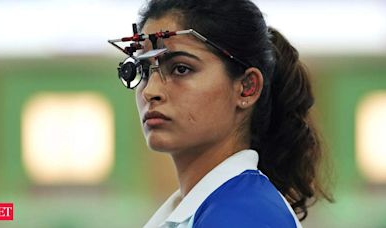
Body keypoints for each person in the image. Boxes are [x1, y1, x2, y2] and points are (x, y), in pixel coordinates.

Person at [109, 0, 333, 227]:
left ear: (247, 87)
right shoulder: (199, 208)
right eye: (144, 71)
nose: (150, 91)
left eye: (181, 69)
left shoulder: (246, 215)